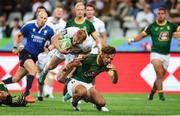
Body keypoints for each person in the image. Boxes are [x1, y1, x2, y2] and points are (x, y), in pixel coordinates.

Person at [0, 11, 55, 103]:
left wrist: (50, 47)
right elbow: (17, 35)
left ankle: (1, 83)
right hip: (25, 53)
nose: (43, 20)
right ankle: (26, 95)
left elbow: (54, 42)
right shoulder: (29, 25)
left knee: (15, 79)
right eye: (41, 17)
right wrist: (15, 46)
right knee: (33, 70)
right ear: (37, 17)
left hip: (34, 57)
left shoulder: (49, 30)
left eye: (45, 18)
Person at [128, 7, 180, 101]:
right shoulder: (151, 26)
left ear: (165, 15)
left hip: (166, 55)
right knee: (159, 73)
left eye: (162, 13)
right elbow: (141, 35)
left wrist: (178, 36)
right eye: (159, 13)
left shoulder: (171, 26)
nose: (160, 15)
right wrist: (132, 40)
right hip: (155, 54)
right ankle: (161, 96)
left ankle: (151, 93)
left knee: (159, 77)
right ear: (156, 15)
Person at [58, 46, 118, 111]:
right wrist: (66, 70)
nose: (109, 60)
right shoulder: (91, 57)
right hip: (75, 80)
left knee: (102, 103)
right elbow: (75, 62)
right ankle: (74, 103)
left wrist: (115, 72)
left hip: (88, 84)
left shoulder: (107, 65)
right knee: (81, 92)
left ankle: (95, 104)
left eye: (111, 59)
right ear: (102, 54)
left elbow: (114, 81)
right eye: (108, 57)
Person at [37, 27, 87, 100]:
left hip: (73, 55)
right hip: (62, 48)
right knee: (50, 66)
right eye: (75, 40)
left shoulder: (87, 44)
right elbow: (53, 38)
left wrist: (81, 57)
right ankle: (44, 73)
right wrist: (60, 49)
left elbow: (87, 53)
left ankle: (71, 90)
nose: (75, 43)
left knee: (61, 78)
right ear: (75, 34)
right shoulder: (70, 31)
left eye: (78, 42)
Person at [37, 6, 67, 99]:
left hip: (55, 49)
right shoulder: (46, 20)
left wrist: (54, 46)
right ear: (53, 12)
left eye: (61, 11)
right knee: (41, 72)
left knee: (51, 71)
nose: (59, 12)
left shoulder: (64, 24)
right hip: (43, 49)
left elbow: (62, 38)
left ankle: (48, 92)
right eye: (57, 10)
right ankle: (40, 92)